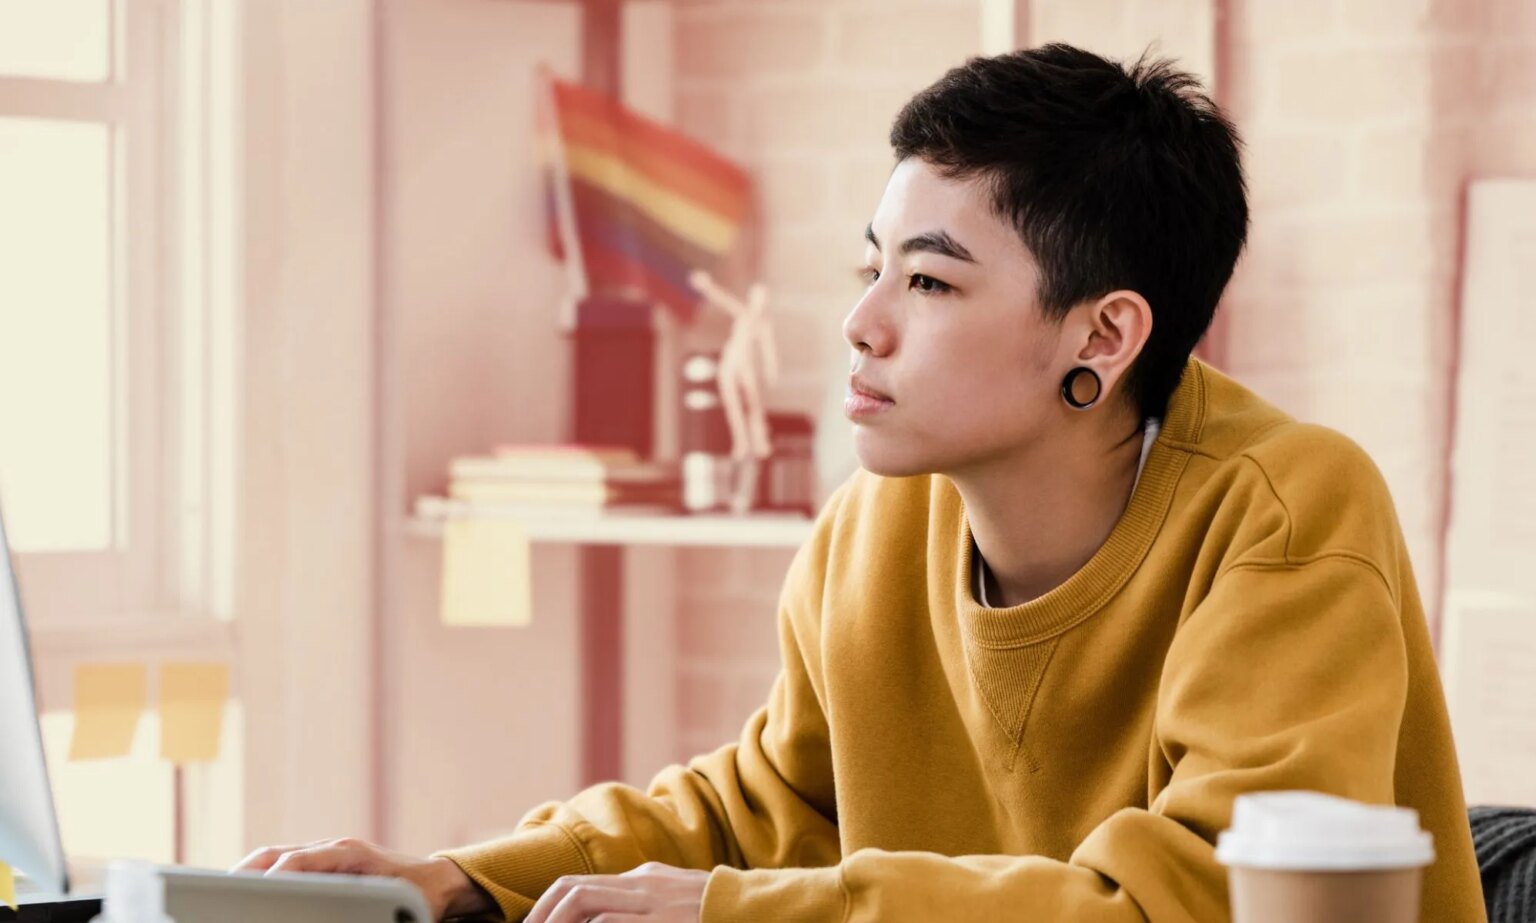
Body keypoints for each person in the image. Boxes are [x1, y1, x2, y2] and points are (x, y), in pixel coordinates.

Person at [234, 44, 1487, 922]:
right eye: (870, 266)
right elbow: (765, 805)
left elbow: (1198, 901)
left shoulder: (1286, 514)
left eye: (931, 283)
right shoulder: (876, 524)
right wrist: (458, 879)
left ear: (1103, 338)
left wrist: (739, 912)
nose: (862, 323)